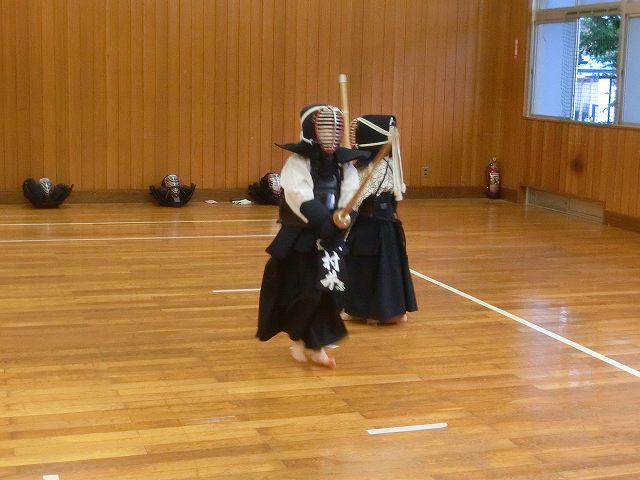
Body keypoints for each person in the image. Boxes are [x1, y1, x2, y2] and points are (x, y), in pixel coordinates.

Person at [256, 104, 369, 368]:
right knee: (307, 293)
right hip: (302, 239)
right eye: (325, 128)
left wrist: (343, 219)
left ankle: (315, 345)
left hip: (331, 240)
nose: (331, 135)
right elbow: (300, 197)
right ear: (312, 131)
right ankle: (300, 340)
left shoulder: (344, 167)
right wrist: (325, 222)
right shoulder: (297, 164)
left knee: (331, 294)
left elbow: (349, 197)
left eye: (335, 129)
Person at [341, 115, 417, 325]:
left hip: (374, 228)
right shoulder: (379, 164)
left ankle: (390, 311)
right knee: (364, 269)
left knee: (376, 270)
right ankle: (360, 309)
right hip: (376, 227)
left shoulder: (378, 168)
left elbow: (354, 201)